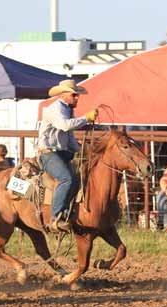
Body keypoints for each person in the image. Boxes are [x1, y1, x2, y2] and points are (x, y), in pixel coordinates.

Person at [37, 79, 98, 233]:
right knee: (67, 178)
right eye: (74, 95)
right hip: (49, 154)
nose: (77, 98)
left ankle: (71, 213)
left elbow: (69, 138)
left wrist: (86, 150)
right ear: (64, 95)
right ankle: (55, 218)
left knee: (81, 178)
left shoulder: (67, 110)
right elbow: (65, 125)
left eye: (77, 95)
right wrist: (86, 118)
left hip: (62, 153)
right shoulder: (55, 109)